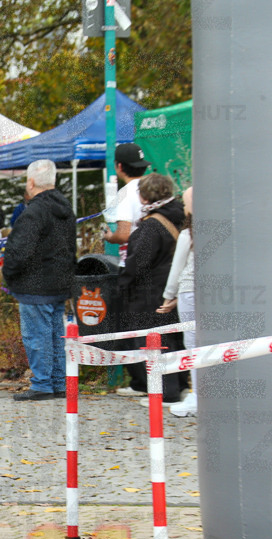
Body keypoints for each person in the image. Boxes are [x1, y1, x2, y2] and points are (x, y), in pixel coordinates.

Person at [2, 160, 77, 401]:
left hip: (34, 284)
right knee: (55, 334)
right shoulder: (66, 209)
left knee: (36, 336)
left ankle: (43, 383)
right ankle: (57, 382)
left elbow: (20, 249)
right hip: (59, 283)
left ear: (31, 182)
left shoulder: (33, 212)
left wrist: (9, 273)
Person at [116, 173, 185, 404]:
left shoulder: (152, 226)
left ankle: (166, 393)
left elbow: (138, 264)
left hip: (150, 292)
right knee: (173, 340)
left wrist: (121, 284)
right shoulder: (179, 216)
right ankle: (180, 385)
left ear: (144, 196)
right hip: (173, 290)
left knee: (154, 342)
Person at [158, 187, 196, 417]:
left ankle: (197, 396)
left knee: (192, 345)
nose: (183, 207)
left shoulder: (188, 235)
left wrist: (168, 297)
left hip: (189, 291)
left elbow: (177, 270)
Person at [102, 142, 150, 265]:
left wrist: (110, 237)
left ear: (120, 166)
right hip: (156, 259)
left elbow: (123, 234)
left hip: (133, 261)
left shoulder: (125, 193)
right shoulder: (152, 188)